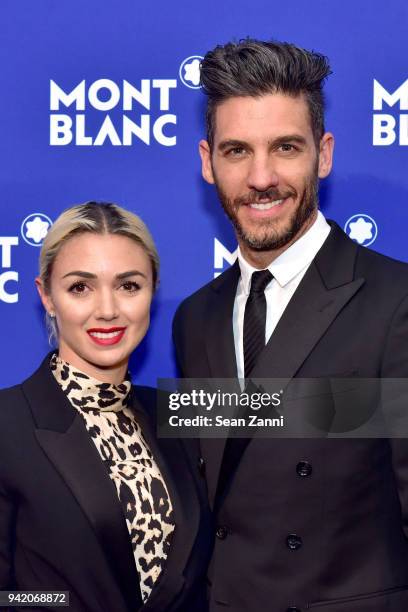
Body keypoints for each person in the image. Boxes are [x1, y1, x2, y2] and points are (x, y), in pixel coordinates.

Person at [172, 39, 408, 611]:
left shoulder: (396, 302)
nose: (261, 177)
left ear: (323, 155)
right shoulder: (193, 318)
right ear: (207, 162)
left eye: (285, 147)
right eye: (236, 151)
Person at [0, 202, 212, 612]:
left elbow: (315, 414)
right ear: (46, 295)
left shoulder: (177, 414)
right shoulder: (7, 424)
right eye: (80, 287)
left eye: (128, 285)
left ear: (153, 289)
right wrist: (62, 602)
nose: (108, 310)